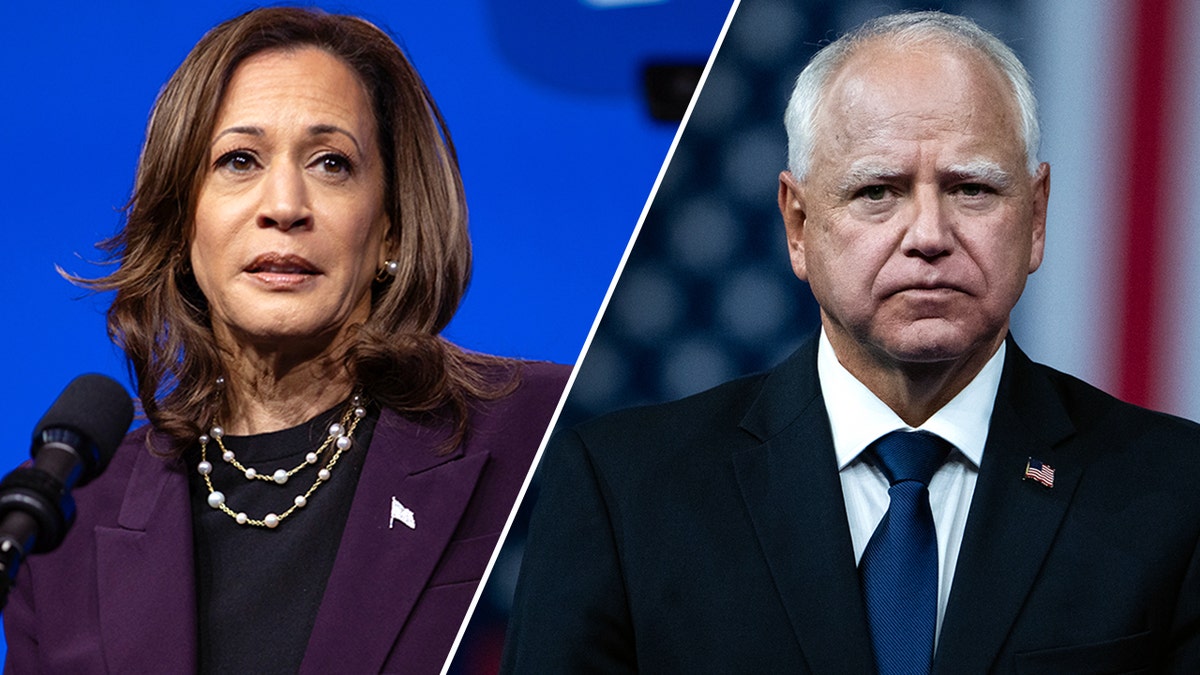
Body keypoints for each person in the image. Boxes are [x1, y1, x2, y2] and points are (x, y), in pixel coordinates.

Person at [502, 10, 1200, 673]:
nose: (929, 235)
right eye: (878, 191)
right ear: (798, 224)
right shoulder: (624, 490)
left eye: (971, 190)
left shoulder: (1176, 491)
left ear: (1037, 216)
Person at [2, 7, 568, 673]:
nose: (285, 204)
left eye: (331, 163)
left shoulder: (545, 431)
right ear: (184, 223)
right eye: (239, 160)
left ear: (389, 228)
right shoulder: (65, 526)